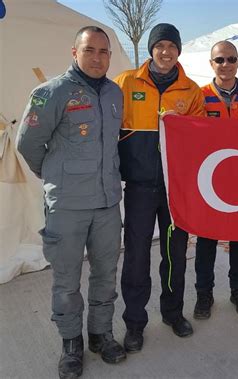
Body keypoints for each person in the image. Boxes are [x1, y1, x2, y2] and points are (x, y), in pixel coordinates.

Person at [16, 26, 126, 379]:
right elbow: (28, 146)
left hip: (107, 204)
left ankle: (100, 335)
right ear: (74, 52)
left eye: (103, 52)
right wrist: (56, 178)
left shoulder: (114, 93)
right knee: (66, 281)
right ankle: (71, 344)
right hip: (67, 207)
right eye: (89, 50)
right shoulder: (51, 93)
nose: (97, 58)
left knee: (106, 275)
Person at [114, 23, 205, 351]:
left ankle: (172, 312)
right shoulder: (126, 82)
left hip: (174, 189)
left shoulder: (191, 90)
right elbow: (110, 126)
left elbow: (200, 139)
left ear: (179, 50)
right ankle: (135, 323)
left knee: (175, 254)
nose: (166, 52)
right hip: (139, 187)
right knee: (137, 255)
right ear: (151, 49)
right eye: (160, 45)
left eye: (172, 46)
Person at [193, 41, 238, 320]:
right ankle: (204, 294)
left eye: (231, 59)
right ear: (211, 64)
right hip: (208, 181)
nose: (226, 64)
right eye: (219, 60)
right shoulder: (199, 97)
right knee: (207, 240)